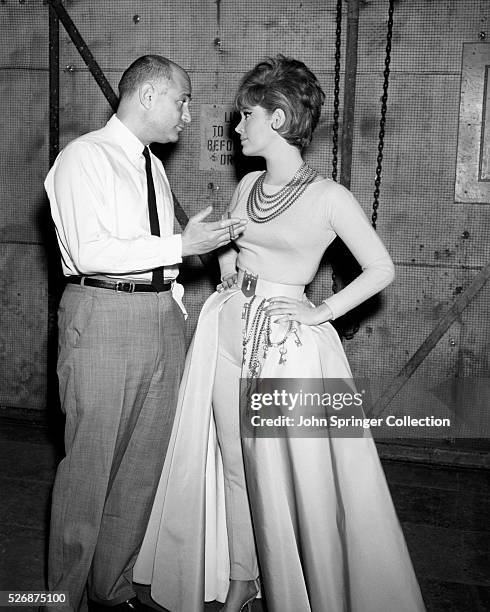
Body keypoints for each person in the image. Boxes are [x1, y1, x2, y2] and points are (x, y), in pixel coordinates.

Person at [134, 55, 426, 612]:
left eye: (246, 115)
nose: (236, 126)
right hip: (224, 328)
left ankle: (298, 585)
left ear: (280, 116)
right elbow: (238, 245)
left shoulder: (330, 197)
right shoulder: (246, 184)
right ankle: (243, 579)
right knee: (234, 462)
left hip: (286, 349)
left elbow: (381, 268)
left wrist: (322, 312)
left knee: (283, 474)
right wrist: (224, 264)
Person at [44, 54, 246, 612]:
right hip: (105, 315)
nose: (188, 115)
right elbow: (92, 251)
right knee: (89, 468)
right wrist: (185, 246)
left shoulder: (151, 165)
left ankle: (111, 589)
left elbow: (157, 250)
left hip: (160, 319)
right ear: (149, 95)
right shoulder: (83, 157)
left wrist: (186, 284)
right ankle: (57, 601)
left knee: (140, 468)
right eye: (182, 101)